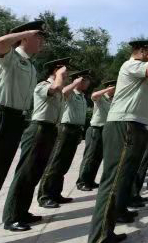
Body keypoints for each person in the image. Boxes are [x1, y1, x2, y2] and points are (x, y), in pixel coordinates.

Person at [0, 20, 46, 243]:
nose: (42, 42)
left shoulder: (31, 66)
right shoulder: (11, 57)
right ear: (24, 38)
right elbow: (0, 42)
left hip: (14, 121)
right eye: (39, 37)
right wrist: (25, 32)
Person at [88, 39, 148, 243]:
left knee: (123, 177)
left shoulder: (139, 72)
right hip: (124, 125)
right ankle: (99, 236)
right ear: (139, 51)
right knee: (112, 181)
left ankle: (115, 217)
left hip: (134, 125)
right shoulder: (131, 65)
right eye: (147, 50)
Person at [2, 57, 69, 232]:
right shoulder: (42, 86)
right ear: (55, 70)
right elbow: (55, 88)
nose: (66, 74)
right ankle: (11, 217)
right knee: (25, 173)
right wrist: (60, 75)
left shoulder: (58, 89)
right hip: (38, 129)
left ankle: (22, 212)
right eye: (64, 70)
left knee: (34, 174)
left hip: (49, 130)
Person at [38, 69, 90, 208]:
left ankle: (55, 193)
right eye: (84, 80)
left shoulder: (82, 96)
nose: (87, 82)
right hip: (65, 129)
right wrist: (74, 83)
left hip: (75, 130)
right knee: (55, 162)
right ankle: (45, 196)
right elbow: (63, 91)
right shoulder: (71, 93)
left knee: (64, 165)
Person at [76, 80, 117, 192]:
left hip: (105, 130)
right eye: (112, 88)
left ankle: (90, 180)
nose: (114, 90)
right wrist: (107, 90)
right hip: (95, 129)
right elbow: (93, 95)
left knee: (98, 157)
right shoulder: (101, 97)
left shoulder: (113, 100)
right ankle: (82, 181)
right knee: (90, 156)